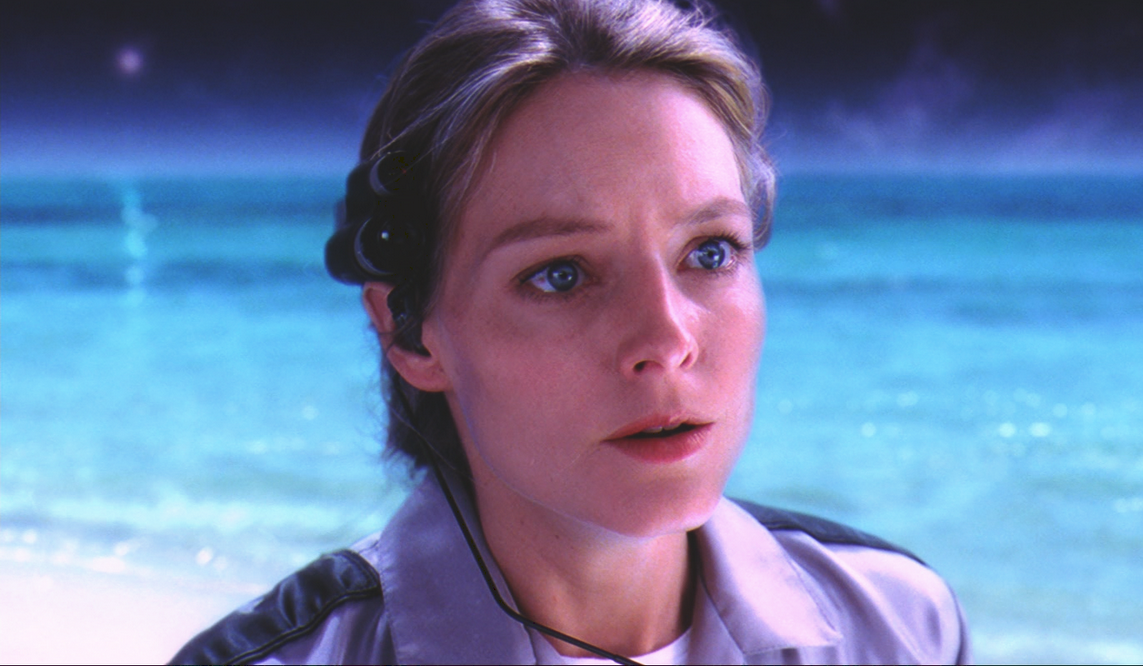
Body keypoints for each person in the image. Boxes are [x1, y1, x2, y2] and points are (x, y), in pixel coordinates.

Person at [170, 0, 968, 663]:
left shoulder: (901, 626)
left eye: (710, 252)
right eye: (560, 274)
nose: (666, 339)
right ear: (411, 334)